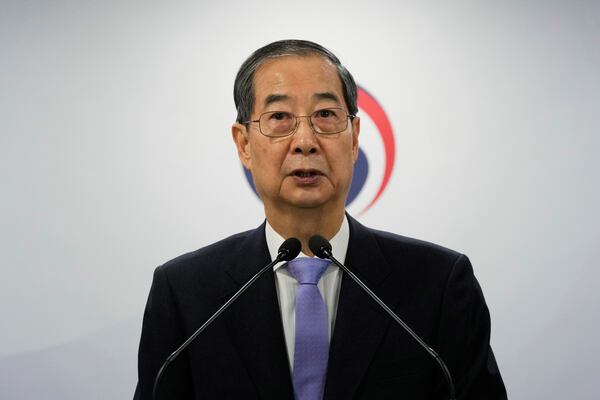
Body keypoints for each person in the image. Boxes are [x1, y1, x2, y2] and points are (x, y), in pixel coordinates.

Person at [134, 39, 507, 399]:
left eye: (326, 116)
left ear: (355, 136)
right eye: (279, 117)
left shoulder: (439, 284)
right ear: (244, 144)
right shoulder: (186, 293)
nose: (305, 141)